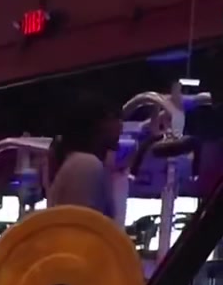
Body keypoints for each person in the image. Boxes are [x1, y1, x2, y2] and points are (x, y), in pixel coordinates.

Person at [46, 90, 162, 218]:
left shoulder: (80, 163)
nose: (120, 126)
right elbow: (80, 225)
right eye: (114, 118)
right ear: (96, 124)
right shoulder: (86, 165)